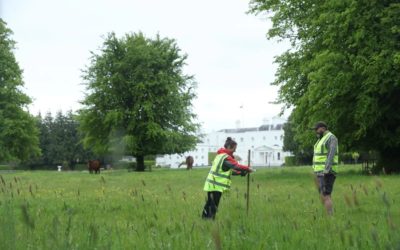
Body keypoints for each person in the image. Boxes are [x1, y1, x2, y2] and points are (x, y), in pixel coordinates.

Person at [202, 137, 252, 219]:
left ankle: (204, 219)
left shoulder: (220, 155)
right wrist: (248, 168)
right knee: (214, 204)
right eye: (234, 149)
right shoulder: (225, 157)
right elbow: (235, 166)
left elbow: (227, 171)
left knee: (209, 203)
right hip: (216, 185)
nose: (235, 151)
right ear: (229, 147)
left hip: (211, 184)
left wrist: (241, 173)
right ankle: (210, 220)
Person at [312, 121, 338, 215]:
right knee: (324, 195)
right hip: (320, 172)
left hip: (327, 172)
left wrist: (326, 170)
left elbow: (331, 154)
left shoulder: (331, 138)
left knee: (326, 195)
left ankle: (330, 216)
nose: (316, 131)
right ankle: (330, 214)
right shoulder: (321, 139)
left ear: (323, 128)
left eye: (317, 129)